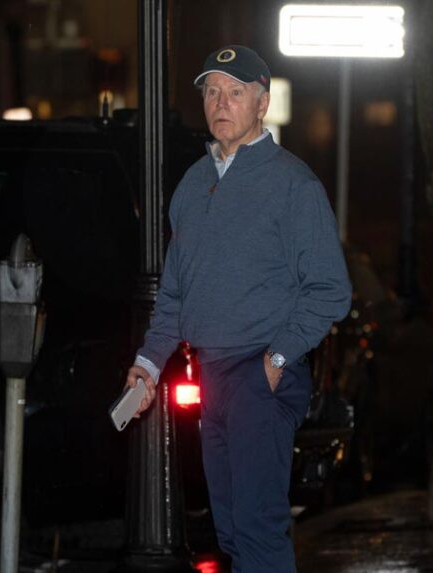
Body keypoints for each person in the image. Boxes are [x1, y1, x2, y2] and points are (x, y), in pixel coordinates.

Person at [126, 45, 352, 573]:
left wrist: (275, 361)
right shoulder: (191, 186)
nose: (220, 103)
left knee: (257, 527)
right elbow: (177, 293)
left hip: (258, 373)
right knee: (228, 530)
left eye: (236, 91)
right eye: (211, 92)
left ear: (262, 102)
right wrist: (148, 365)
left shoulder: (293, 184)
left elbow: (330, 290)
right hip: (211, 376)